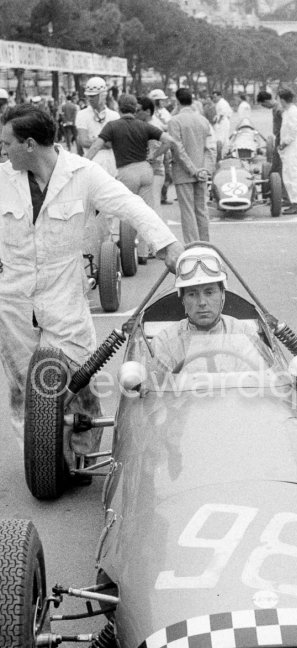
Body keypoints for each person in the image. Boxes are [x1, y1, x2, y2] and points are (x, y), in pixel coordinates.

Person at [0, 104, 184, 458]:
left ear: (30, 145)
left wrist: (169, 246)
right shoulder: (3, 177)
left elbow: (130, 206)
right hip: (13, 295)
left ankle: (82, 451)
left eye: (6, 143)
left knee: (79, 374)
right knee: (24, 384)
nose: (2, 150)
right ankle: (39, 460)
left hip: (63, 289)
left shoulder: (83, 174)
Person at [86, 93, 186, 263]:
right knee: (146, 212)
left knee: (126, 213)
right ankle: (143, 253)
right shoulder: (143, 125)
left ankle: (126, 254)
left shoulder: (112, 126)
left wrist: (84, 163)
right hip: (146, 170)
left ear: (119, 107)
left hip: (126, 171)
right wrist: (154, 156)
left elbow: (96, 146)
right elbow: (170, 141)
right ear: (135, 108)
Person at [150, 245, 259, 375]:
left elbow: (261, 383)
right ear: (183, 299)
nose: (202, 302)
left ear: (222, 295)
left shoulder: (244, 334)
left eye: (209, 292)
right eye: (192, 294)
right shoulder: (165, 342)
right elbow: (157, 389)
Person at [167, 87, 215, 245]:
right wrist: (204, 170)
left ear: (177, 101)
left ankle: (193, 247)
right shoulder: (203, 120)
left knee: (187, 212)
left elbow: (177, 149)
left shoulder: (174, 121)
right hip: (202, 171)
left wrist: (193, 170)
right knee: (201, 210)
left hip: (183, 172)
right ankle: (206, 244)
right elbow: (210, 148)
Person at [75, 76, 119, 175]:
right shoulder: (82, 114)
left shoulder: (114, 115)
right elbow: (83, 141)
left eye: (93, 96)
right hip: (92, 167)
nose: (90, 99)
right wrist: (105, 142)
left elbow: (116, 143)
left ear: (103, 95)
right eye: (88, 96)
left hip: (111, 166)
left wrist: (95, 141)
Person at [136, 95, 169, 216]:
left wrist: (153, 156)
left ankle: (158, 233)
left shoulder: (153, 126)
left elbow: (167, 143)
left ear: (148, 111)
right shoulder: (145, 124)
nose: (135, 113)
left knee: (154, 204)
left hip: (155, 169)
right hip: (148, 168)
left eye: (138, 110)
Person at [256, 90, 287, 201]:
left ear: (266, 101)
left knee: (277, 167)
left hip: (281, 138)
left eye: (263, 105)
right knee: (275, 166)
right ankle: (274, 191)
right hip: (279, 138)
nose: (264, 107)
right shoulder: (276, 108)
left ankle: (278, 193)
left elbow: (286, 124)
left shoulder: (278, 109)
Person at [278, 87, 297, 214]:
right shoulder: (287, 112)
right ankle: (290, 198)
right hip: (287, 147)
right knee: (287, 174)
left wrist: (284, 143)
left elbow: (293, 132)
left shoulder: (294, 112)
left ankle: (296, 203)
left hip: (291, 146)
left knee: (291, 174)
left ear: (283, 100)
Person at [149, 89, 172, 203]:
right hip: (152, 145)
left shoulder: (165, 112)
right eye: (160, 100)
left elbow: (169, 127)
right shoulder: (150, 112)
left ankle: (163, 195)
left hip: (163, 144)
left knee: (166, 171)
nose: (163, 102)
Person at [212, 90, 232, 155]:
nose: (214, 99)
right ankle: (225, 152)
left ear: (219, 96)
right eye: (213, 97)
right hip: (224, 121)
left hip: (222, 122)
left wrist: (218, 123)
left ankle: (223, 153)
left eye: (215, 97)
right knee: (224, 137)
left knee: (221, 138)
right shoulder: (220, 102)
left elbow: (221, 114)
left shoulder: (222, 103)